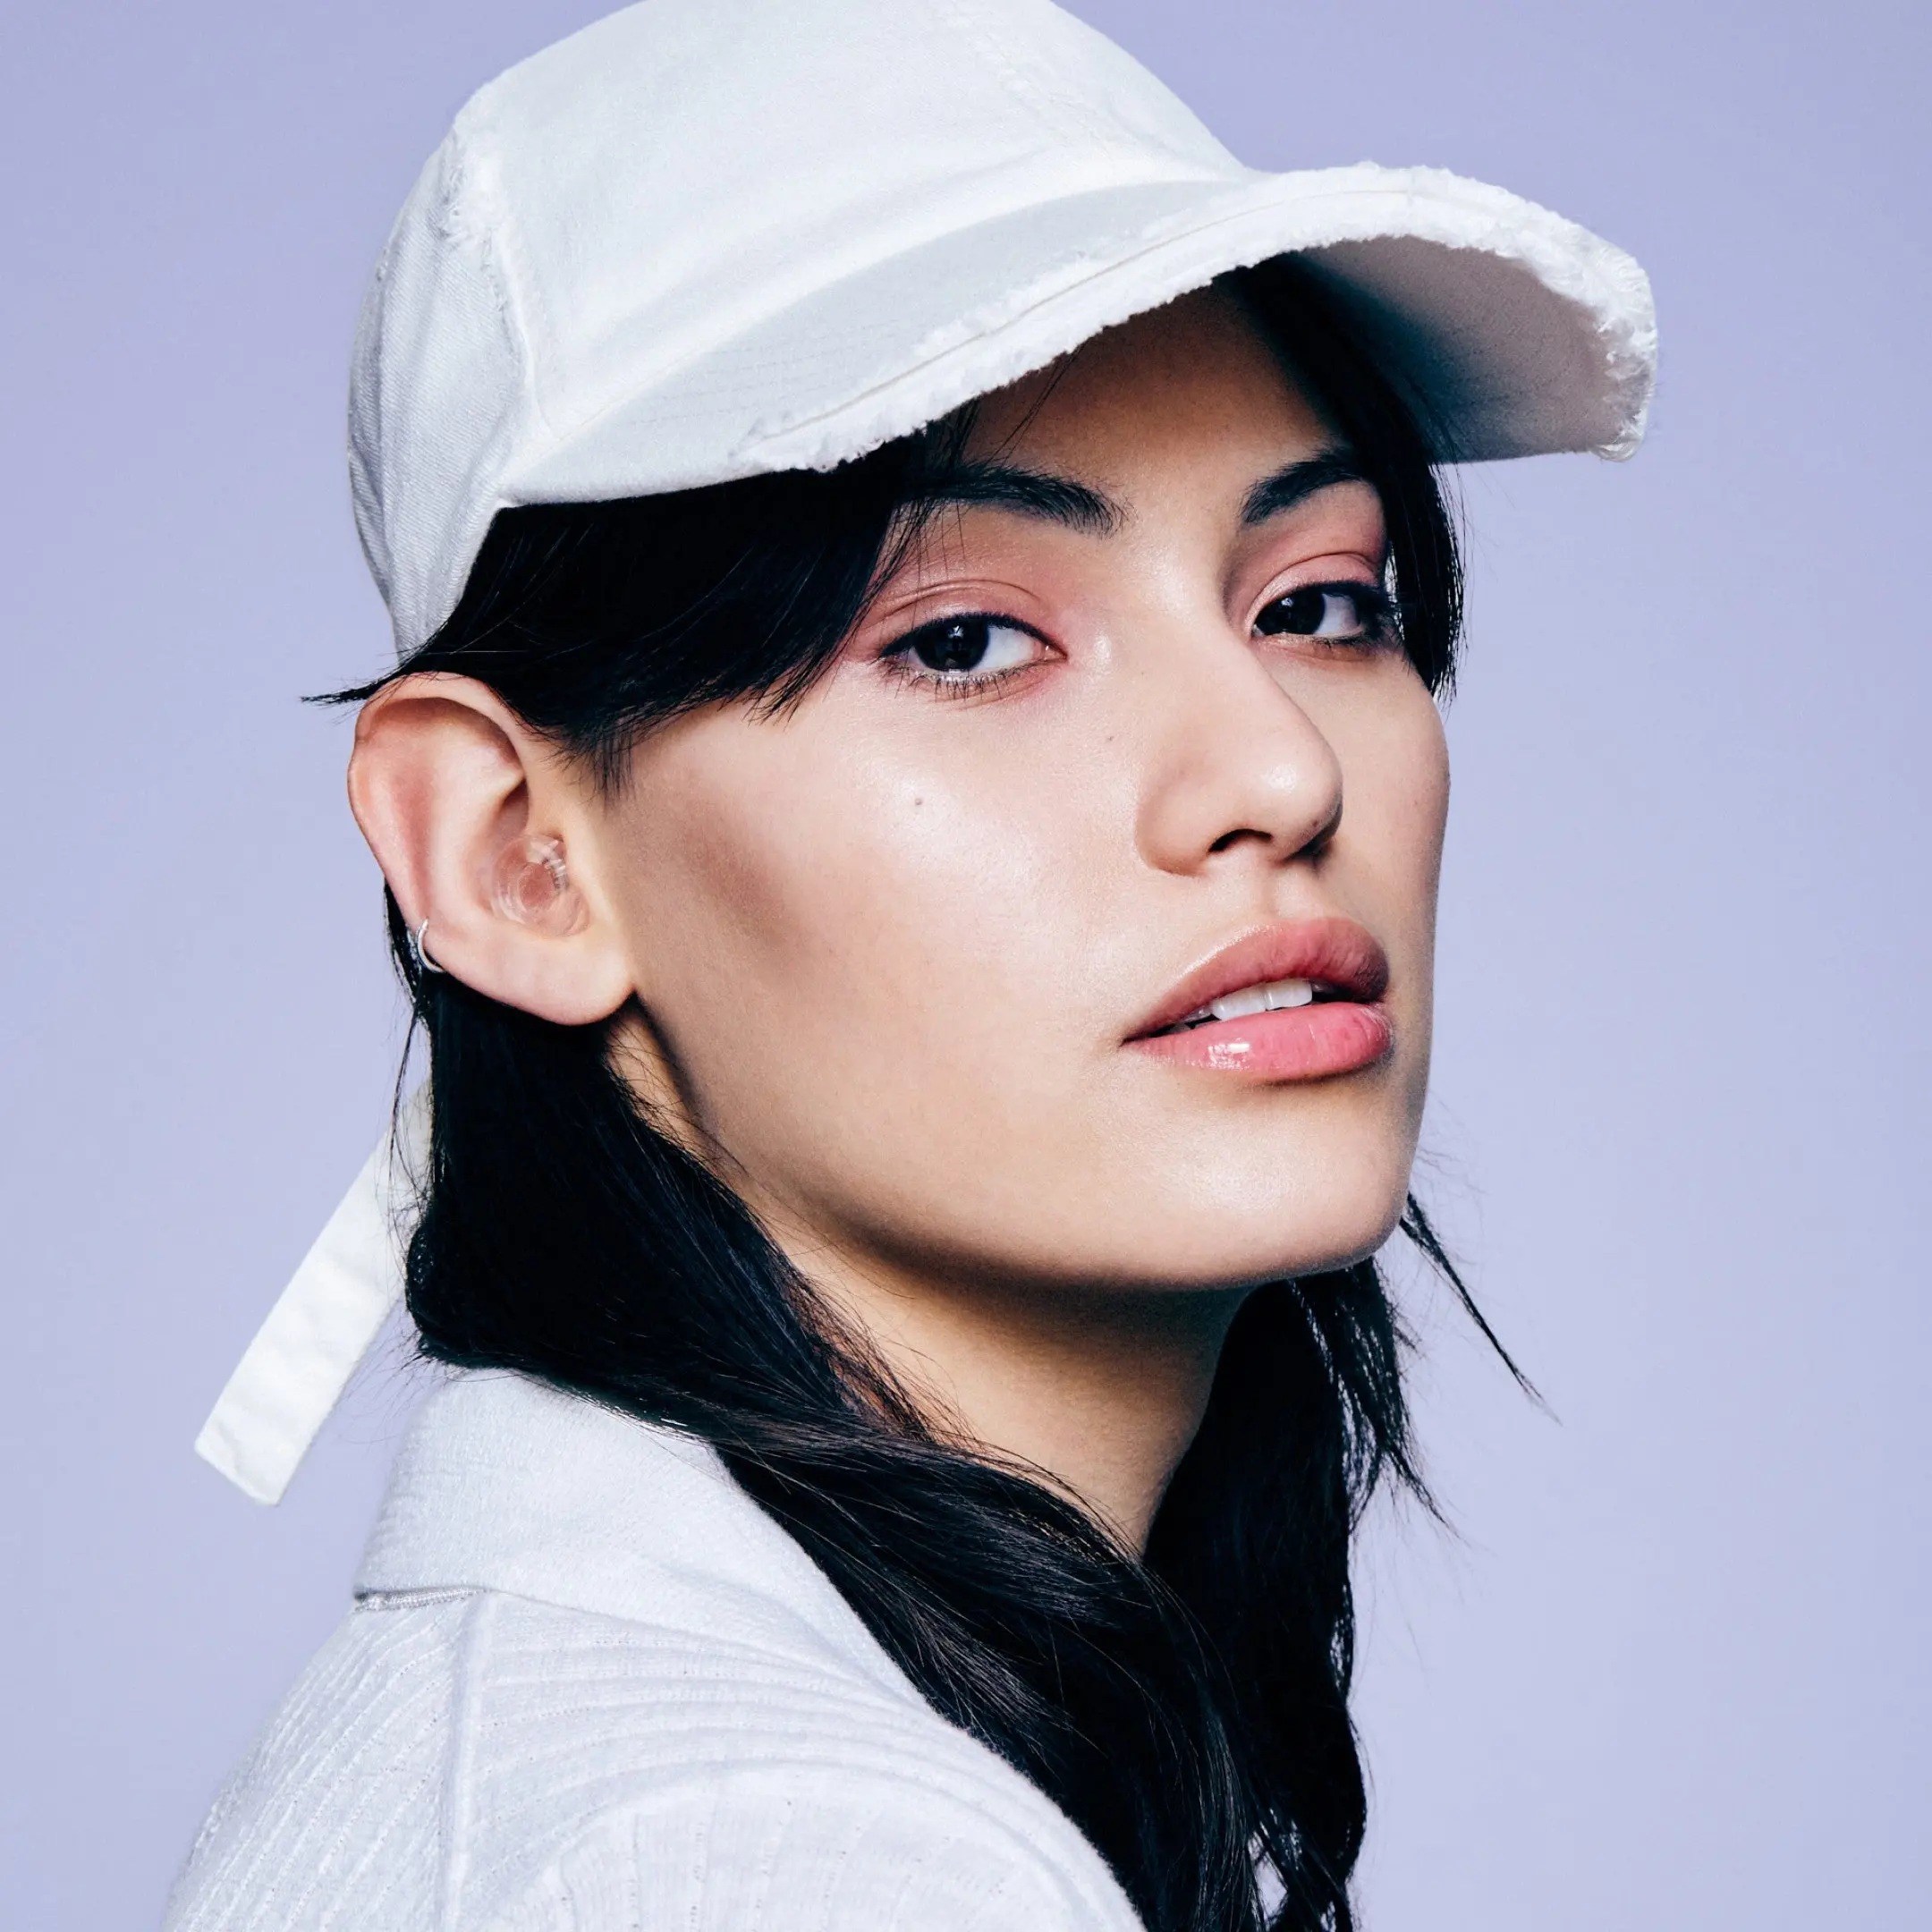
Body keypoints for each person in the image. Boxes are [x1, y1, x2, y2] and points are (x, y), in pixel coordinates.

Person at [167, 2, 1654, 1928]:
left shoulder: (689, 1772)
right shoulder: (775, 1857)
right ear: (517, 856)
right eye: (965, 643)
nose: (1280, 773)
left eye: (1319, 605)